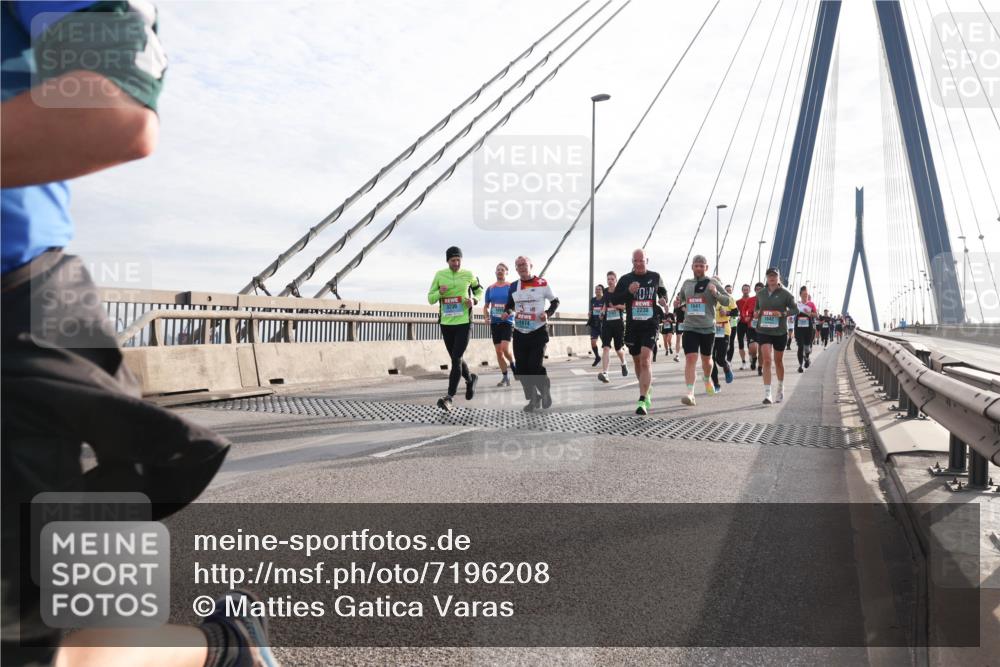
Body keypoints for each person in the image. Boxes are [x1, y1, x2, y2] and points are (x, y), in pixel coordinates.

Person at [1, 3, 280, 667]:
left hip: (17, 317)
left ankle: (225, 650)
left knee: (54, 648)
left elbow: (112, 102)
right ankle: (227, 650)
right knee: (81, 645)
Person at [611, 249, 668, 414]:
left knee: (645, 360)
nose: (638, 263)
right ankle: (646, 389)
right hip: (632, 325)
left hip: (650, 323)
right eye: (635, 261)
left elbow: (662, 292)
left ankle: (642, 400)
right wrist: (628, 292)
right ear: (632, 262)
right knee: (637, 361)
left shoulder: (655, 276)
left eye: (641, 260)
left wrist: (663, 299)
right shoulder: (625, 279)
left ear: (647, 260)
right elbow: (615, 300)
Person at [673, 255, 733, 406]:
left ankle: (707, 379)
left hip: (707, 328)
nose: (699, 268)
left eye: (702, 266)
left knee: (707, 360)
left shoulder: (713, 282)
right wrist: (678, 304)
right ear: (692, 267)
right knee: (691, 359)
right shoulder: (686, 283)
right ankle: (690, 392)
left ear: (706, 267)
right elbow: (681, 301)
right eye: (696, 265)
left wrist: (715, 293)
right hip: (690, 327)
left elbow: (727, 301)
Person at [428, 247, 483, 410]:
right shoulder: (439, 275)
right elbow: (430, 298)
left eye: (459, 260)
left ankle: (449, 398)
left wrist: (474, 300)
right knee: (455, 358)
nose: (456, 263)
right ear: (447, 261)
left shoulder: (468, 274)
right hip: (446, 324)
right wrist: (439, 292)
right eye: (453, 260)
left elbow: (479, 291)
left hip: (464, 322)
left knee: (456, 358)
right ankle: (470, 379)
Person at [502, 256, 559, 411]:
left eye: (524, 264)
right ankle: (534, 399)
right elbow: (509, 305)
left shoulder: (542, 283)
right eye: (518, 265)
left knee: (534, 366)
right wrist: (507, 312)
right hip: (520, 331)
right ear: (516, 269)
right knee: (521, 370)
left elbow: (555, 301)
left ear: (531, 266)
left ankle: (545, 392)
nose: (522, 267)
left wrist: (547, 313)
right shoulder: (514, 286)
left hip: (538, 331)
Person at [753, 268, 797, 404]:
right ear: (766, 278)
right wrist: (756, 313)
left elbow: (796, 309)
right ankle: (768, 394)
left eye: (774, 276)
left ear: (778, 278)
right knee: (766, 360)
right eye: (769, 276)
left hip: (780, 332)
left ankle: (780, 387)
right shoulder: (760, 293)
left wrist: (783, 314)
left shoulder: (786, 294)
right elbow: (756, 309)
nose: (772, 278)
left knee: (778, 361)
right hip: (764, 330)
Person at [483, 262, 515, 386]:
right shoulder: (490, 288)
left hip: (507, 321)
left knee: (505, 349)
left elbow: (516, 304)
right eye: (498, 269)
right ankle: (505, 377)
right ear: (495, 272)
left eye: (502, 269)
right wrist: (486, 317)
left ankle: (513, 364)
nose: (500, 271)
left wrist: (508, 312)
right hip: (495, 322)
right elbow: (486, 307)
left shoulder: (511, 286)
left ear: (506, 272)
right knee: (498, 352)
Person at [597, 270, 628, 384]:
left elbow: (625, 306)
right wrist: (602, 312)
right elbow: (605, 304)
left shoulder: (621, 291)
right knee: (606, 347)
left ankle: (623, 363)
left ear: (616, 280)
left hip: (618, 323)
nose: (609, 281)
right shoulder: (605, 291)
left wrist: (615, 306)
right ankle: (605, 373)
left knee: (618, 348)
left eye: (612, 279)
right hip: (607, 323)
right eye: (608, 279)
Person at [710, 298, 734, 392]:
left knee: (720, 359)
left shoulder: (728, 298)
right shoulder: (707, 298)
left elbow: (736, 312)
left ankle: (726, 367)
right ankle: (716, 384)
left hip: (723, 330)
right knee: (710, 359)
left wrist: (727, 313)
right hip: (709, 329)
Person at [795, 286, 817, 373]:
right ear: (800, 295)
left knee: (807, 347)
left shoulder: (811, 304)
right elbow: (792, 313)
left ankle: (807, 358)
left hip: (808, 328)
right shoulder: (797, 305)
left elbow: (816, 315)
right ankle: (800, 365)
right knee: (800, 347)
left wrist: (810, 313)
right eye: (804, 294)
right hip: (799, 328)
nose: (805, 296)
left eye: (806, 294)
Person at [735, 283, 756, 370]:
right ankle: (743, 362)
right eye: (744, 289)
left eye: (747, 289)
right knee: (740, 343)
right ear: (742, 290)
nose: (745, 291)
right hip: (741, 324)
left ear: (750, 290)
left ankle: (751, 357)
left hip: (750, 324)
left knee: (750, 344)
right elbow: (735, 312)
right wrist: (737, 316)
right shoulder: (738, 302)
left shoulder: (753, 300)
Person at [586, 284, 605, 367]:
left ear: (602, 291)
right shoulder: (593, 300)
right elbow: (591, 310)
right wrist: (590, 313)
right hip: (594, 324)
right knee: (593, 342)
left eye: (599, 289)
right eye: (596, 289)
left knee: (605, 344)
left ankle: (606, 361)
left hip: (603, 324)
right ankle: (597, 357)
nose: (597, 291)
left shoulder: (605, 300)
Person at [724, 285, 739, 366]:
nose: (728, 292)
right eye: (727, 290)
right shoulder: (721, 300)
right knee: (724, 342)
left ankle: (729, 360)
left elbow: (736, 313)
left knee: (731, 342)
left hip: (732, 323)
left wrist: (727, 313)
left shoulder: (733, 300)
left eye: (730, 290)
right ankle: (723, 358)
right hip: (723, 324)